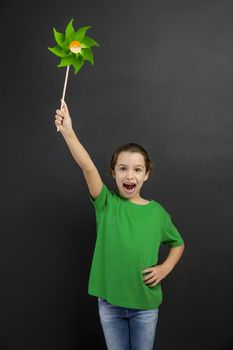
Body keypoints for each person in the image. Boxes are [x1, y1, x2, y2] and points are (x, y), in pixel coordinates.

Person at [54, 101, 185, 350]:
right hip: (111, 305)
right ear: (113, 173)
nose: (129, 175)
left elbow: (178, 244)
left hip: (145, 306)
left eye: (137, 170)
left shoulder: (157, 213)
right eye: (122, 169)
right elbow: (87, 165)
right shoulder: (106, 204)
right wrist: (68, 132)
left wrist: (165, 268)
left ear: (146, 174)